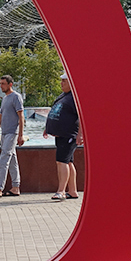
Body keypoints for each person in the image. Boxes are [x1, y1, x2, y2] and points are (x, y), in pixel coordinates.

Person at [43, 73, 81, 201]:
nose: (61, 83)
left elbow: (82, 117)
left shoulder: (75, 98)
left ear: (72, 83)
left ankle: (61, 191)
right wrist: (48, 128)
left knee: (61, 162)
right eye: (61, 81)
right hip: (61, 134)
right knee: (68, 162)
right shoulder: (64, 95)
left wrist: (80, 134)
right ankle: (73, 191)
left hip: (68, 135)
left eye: (64, 81)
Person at [0, 75, 24, 197]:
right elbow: (0, 119)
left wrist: (20, 135)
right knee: (12, 161)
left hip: (12, 133)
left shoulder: (16, 97)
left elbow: (21, 117)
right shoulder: (5, 98)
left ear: (10, 84)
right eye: (0, 83)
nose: (1, 86)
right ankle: (16, 187)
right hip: (4, 134)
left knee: (3, 159)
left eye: (3, 84)